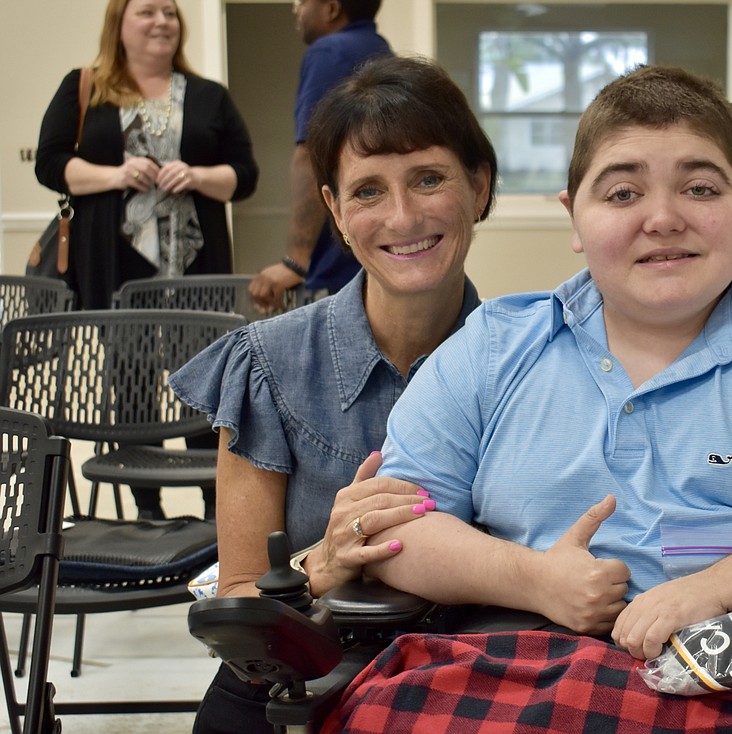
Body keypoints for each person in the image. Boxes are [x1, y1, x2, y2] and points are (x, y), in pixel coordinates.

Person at [362, 64, 732, 666]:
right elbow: (394, 523)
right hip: (526, 670)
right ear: (575, 217)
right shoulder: (490, 348)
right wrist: (533, 579)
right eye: (623, 193)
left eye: (700, 189)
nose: (664, 218)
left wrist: (715, 589)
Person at [169, 55, 497, 733]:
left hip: (475, 684)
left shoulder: (535, 362)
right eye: (367, 191)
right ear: (335, 213)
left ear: (480, 187)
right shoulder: (268, 363)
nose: (402, 216)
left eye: (429, 179)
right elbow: (239, 591)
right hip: (301, 677)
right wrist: (324, 561)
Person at [35, 0, 259, 521]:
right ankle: (146, 509)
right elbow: (50, 163)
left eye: (170, 12)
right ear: (119, 24)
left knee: (205, 386)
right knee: (129, 378)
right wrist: (116, 174)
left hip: (197, 270)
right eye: (147, 11)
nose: (161, 21)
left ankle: (213, 511)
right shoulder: (83, 86)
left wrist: (199, 177)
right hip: (116, 268)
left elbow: (244, 175)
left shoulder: (209, 96)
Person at [248, 0, 391, 313]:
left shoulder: (329, 52)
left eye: (302, 1)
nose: (295, 8)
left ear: (331, 8)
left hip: (337, 269)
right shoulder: (380, 50)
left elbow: (310, 155)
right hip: (375, 258)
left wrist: (295, 262)